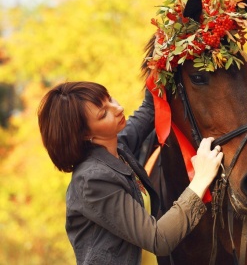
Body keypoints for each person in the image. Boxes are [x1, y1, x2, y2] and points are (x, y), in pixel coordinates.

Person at [37, 81, 223, 265]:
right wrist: (201, 179)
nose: (118, 108)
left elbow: (150, 110)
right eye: (103, 114)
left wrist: (163, 61)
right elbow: (159, 239)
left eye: (109, 98)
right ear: (85, 135)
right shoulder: (92, 180)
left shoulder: (117, 147)